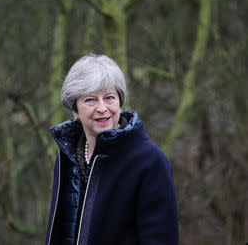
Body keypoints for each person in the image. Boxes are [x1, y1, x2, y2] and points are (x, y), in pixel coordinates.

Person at [45, 54, 178, 245]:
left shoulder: (150, 161)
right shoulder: (67, 155)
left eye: (109, 97)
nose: (102, 108)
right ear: (75, 109)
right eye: (90, 100)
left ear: (120, 102)